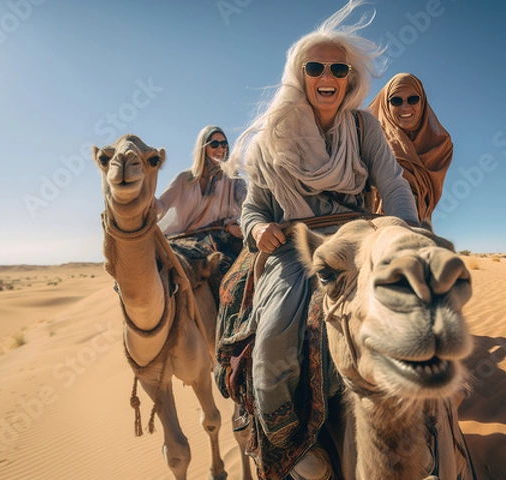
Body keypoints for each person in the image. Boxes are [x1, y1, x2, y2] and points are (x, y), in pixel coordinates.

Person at [222, 1, 419, 477]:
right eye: (316, 67)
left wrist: (409, 233)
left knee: (413, 315)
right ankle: (284, 434)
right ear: (301, 74)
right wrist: (256, 228)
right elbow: (253, 206)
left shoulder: (363, 126)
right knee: (272, 335)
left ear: (349, 78)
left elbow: (391, 183)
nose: (327, 75)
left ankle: (426, 433)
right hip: (297, 243)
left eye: (338, 67)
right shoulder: (272, 138)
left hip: (357, 236)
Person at [367, 72, 453, 225]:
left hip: (417, 228)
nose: (405, 107)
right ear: (386, 105)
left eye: (413, 99)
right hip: (373, 230)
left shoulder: (440, 145)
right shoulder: (368, 140)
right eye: (396, 101)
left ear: (423, 102)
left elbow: (426, 197)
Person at [156, 125, 246, 268]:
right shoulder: (184, 179)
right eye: (214, 144)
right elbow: (160, 206)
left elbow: (246, 200)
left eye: (224, 144)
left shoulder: (232, 177)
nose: (220, 149)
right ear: (203, 148)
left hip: (226, 235)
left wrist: (233, 224)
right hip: (188, 240)